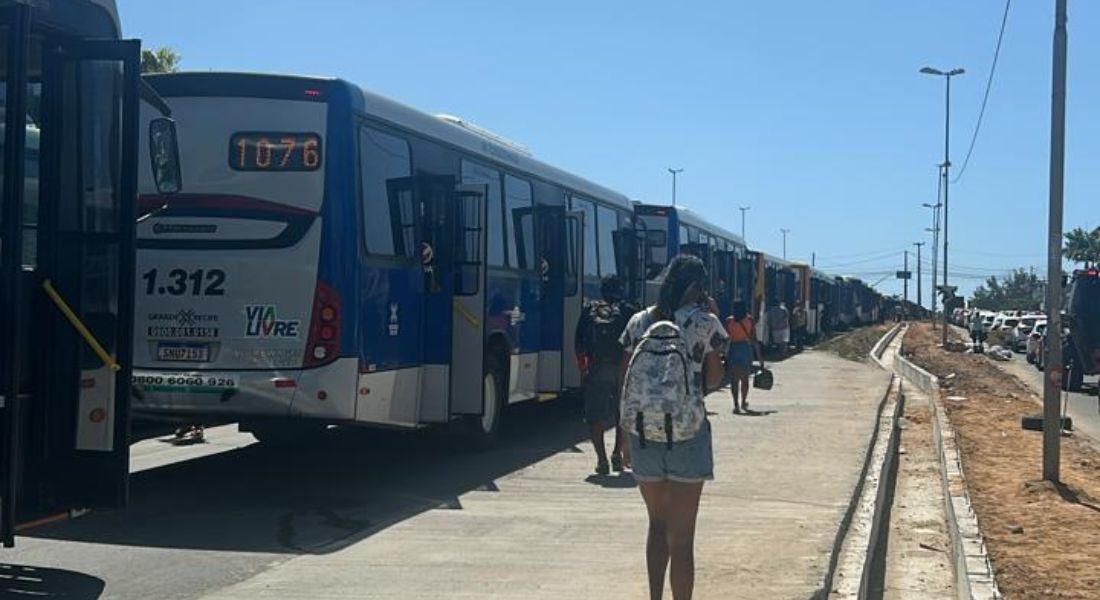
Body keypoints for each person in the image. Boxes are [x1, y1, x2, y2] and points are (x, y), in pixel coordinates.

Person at [618, 255, 729, 600]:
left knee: (656, 526)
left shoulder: (639, 322)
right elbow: (714, 377)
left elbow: (625, 382)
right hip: (688, 435)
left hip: (642, 435)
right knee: (682, 539)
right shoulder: (703, 322)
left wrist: (623, 438)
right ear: (697, 287)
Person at [574, 275, 635, 475]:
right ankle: (617, 453)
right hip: (621, 368)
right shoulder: (628, 311)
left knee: (595, 415)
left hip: (597, 367)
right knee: (621, 413)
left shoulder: (590, 309)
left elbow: (579, 340)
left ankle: (601, 460)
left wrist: (584, 368)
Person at [725, 301, 761, 414]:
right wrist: (759, 357)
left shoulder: (729, 321)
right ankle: (743, 401)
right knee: (745, 379)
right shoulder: (749, 320)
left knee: (734, 380)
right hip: (746, 349)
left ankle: (736, 404)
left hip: (733, 349)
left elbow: (725, 338)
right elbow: (754, 339)